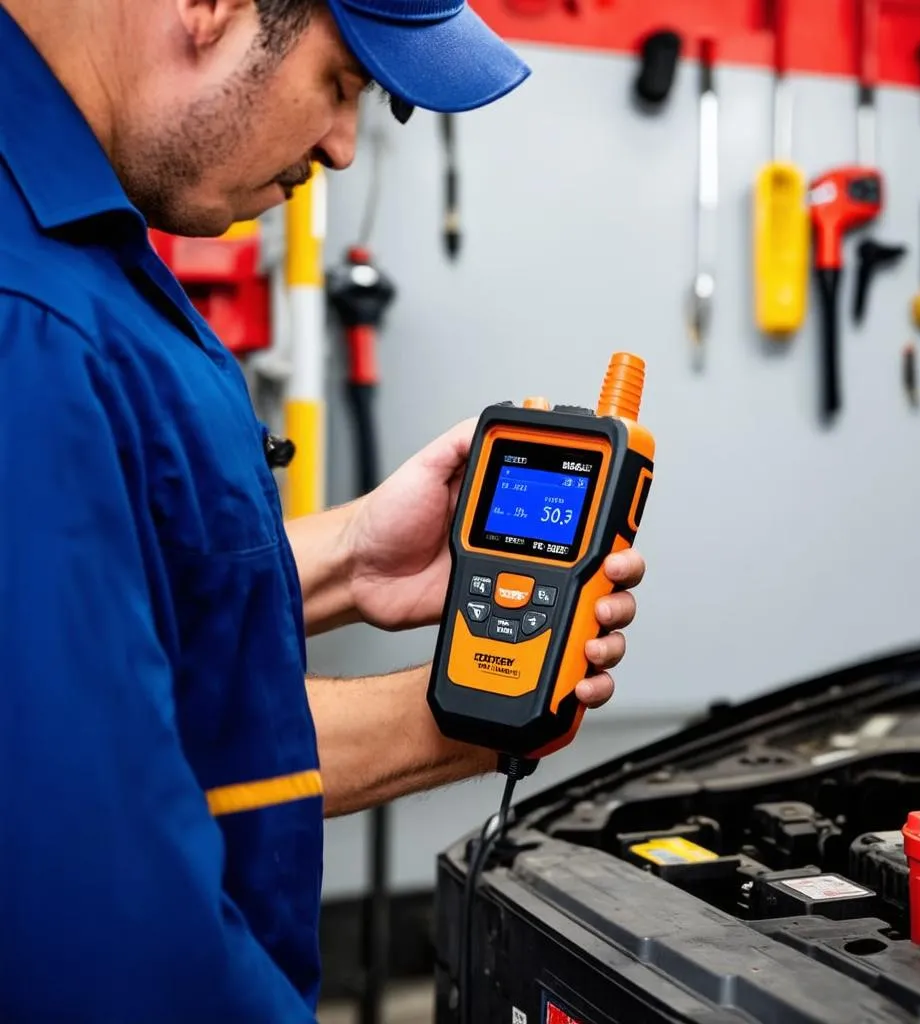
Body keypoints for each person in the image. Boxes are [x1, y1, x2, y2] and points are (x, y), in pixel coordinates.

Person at [0, 0, 647, 1020]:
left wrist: (352, 558)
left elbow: (120, 671)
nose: (345, 148)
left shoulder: (68, 253)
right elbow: (104, 904)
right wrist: (497, 703)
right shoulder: (28, 320)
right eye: (342, 81)